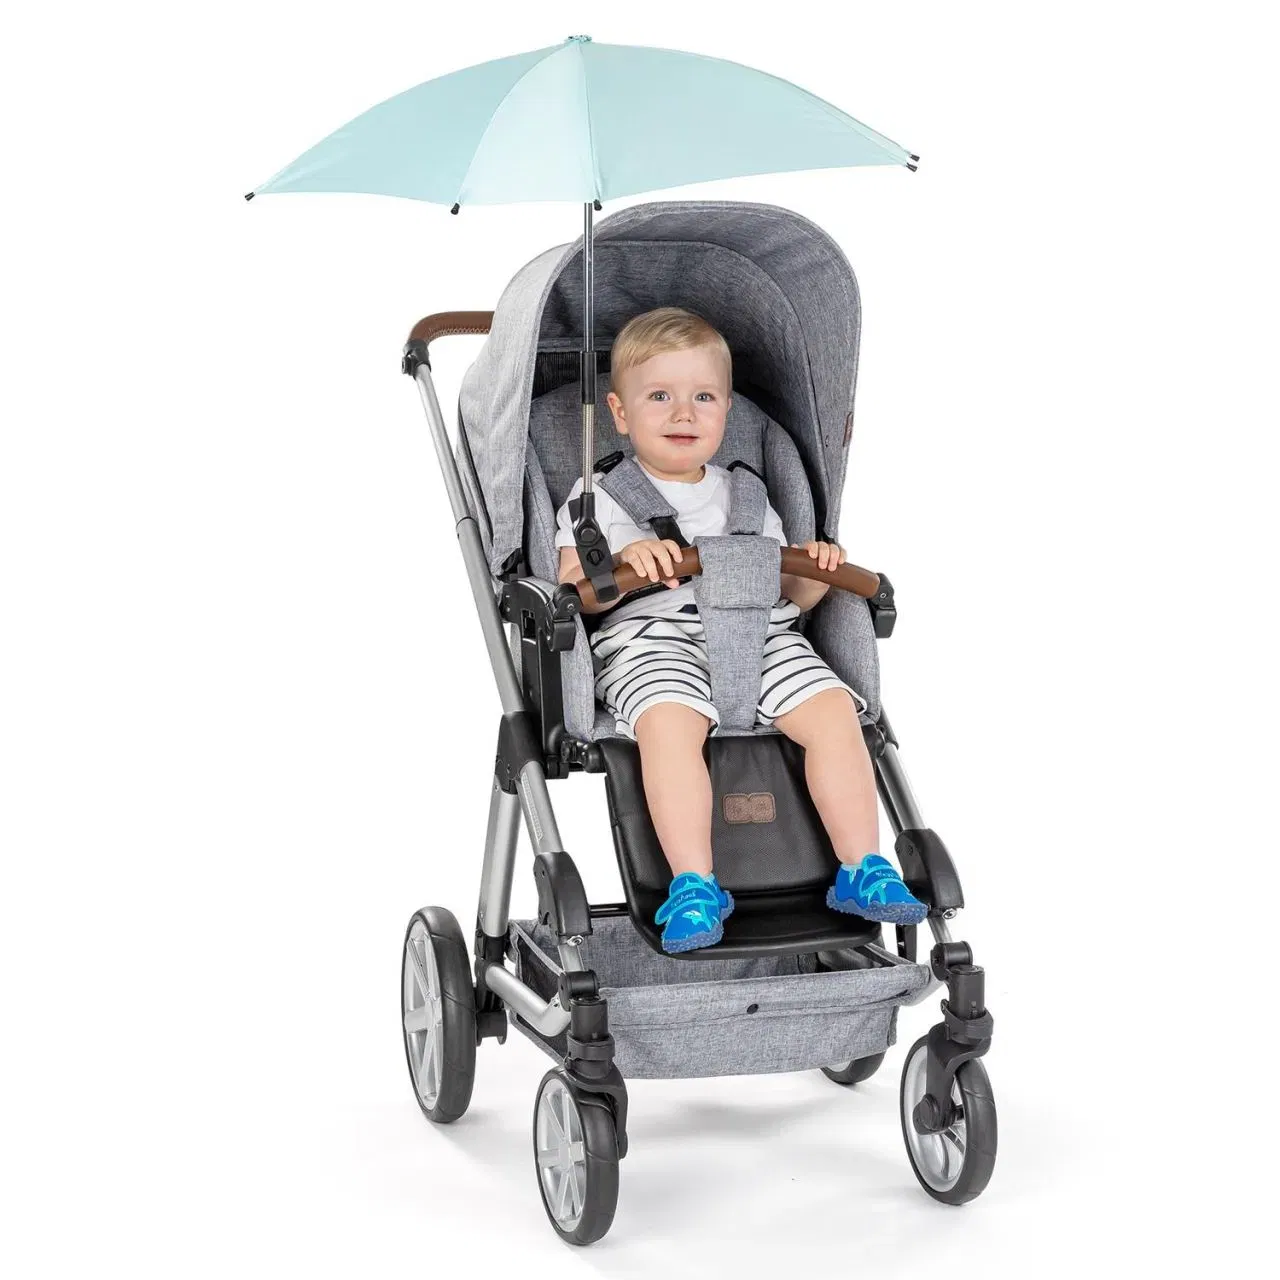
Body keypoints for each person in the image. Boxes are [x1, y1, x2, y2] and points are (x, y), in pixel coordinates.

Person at [555, 307, 927, 953]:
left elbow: (793, 598)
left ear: (727, 410)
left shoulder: (747, 492)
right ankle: (694, 885)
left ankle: (862, 866)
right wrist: (620, 560)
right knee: (668, 726)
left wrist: (817, 570)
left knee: (835, 713)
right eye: (660, 396)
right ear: (619, 412)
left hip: (763, 635)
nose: (684, 413)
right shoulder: (599, 498)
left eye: (703, 397)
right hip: (652, 641)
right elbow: (568, 589)